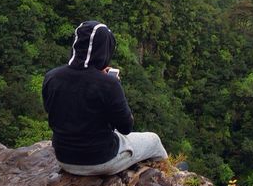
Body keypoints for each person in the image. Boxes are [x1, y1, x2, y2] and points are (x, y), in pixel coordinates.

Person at [42, 19, 167, 176]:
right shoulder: (108, 84)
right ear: (105, 50)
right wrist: (113, 86)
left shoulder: (52, 77)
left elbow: (53, 110)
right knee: (154, 140)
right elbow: (126, 127)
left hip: (64, 159)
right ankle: (170, 174)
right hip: (101, 160)